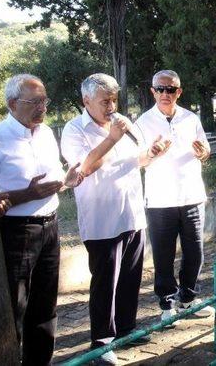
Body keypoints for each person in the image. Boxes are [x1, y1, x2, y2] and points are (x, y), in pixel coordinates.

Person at [60, 73, 169, 365]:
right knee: (105, 282)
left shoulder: (122, 122)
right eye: (104, 101)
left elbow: (137, 159)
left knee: (131, 278)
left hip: (132, 213)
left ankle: (126, 330)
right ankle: (102, 341)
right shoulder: (74, 130)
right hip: (101, 221)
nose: (111, 106)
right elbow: (83, 169)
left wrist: (152, 153)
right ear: (86, 101)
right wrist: (111, 138)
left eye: (114, 99)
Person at [0, 74, 83, 366]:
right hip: (17, 232)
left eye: (45, 100)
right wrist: (25, 194)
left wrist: (67, 179)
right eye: (35, 102)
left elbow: (54, 174)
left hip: (50, 225)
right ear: (12, 103)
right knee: (15, 307)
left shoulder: (45, 133)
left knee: (45, 305)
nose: (42, 107)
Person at [133, 70, 211, 325]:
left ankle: (188, 297)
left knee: (195, 252)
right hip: (160, 200)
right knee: (163, 255)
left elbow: (205, 150)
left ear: (179, 92)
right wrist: (153, 152)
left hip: (191, 196)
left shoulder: (191, 118)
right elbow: (138, 160)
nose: (166, 93)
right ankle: (167, 303)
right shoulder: (142, 123)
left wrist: (204, 153)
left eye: (171, 89)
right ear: (152, 91)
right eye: (161, 88)